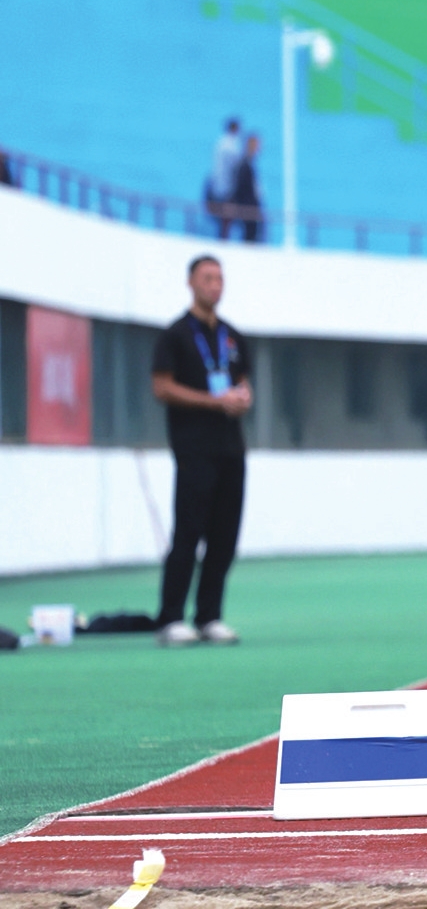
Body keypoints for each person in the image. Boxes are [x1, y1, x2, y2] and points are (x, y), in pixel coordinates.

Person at [150, 255, 254, 647]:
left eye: (220, 278)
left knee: (225, 536)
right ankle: (171, 617)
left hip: (232, 448)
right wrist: (214, 402)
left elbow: (243, 382)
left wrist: (242, 398)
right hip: (194, 448)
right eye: (207, 278)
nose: (215, 285)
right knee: (188, 533)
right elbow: (162, 387)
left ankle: (209, 615)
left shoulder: (231, 336)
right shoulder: (175, 335)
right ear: (191, 283)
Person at [206, 118, 243, 239]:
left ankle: (224, 237)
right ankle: (224, 239)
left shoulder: (220, 142)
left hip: (219, 183)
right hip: (226, 186)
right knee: (226, 215)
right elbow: (233, 166)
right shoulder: (229, 146)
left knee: (226, 216)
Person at [232, 133, 265, 244]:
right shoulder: (244, 165)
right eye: (256, 145)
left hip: (251, 207)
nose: (258, 148)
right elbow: (240, 189)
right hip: (248, 208)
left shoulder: (249, 164)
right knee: (249, 237)